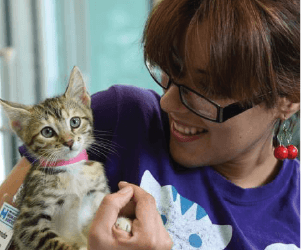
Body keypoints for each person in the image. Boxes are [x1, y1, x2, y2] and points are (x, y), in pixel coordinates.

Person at [1, 0, 300, 249]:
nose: (167, 103)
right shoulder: (122, 117)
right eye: (170, 72)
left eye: (205, 89)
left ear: (288, 98)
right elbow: (6, 228)